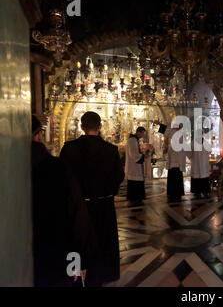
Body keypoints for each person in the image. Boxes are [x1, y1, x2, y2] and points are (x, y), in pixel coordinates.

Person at [60, 111, 124, 286]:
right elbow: (119, 175)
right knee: (104, 243)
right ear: (100, 127)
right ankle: (103, 275)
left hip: (78, 206)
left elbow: (62, 177)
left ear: (81, 127)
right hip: (104, 205)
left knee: (79, 242)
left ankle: (76, 276)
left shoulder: (69, 148)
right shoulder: (111, 150)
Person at [31, 115, 95, 287]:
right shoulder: (56, 168)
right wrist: (80, 260)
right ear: (38, 136)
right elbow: (77, 217)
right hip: (57, 252)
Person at [125, 127, 147, 205]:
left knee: (135, 182)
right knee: (135, 183)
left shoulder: (134, 140)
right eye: (143, 133)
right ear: (139, 132)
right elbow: (134, 154)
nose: (143, 135)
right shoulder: (132, 140)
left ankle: (136, 198)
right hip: (133, 167)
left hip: (134, 167)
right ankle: (135, 198)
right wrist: (143, 155)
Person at [165, 123, 186, 202]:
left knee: (175, 179)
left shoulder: (178, 135)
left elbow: (168, 132)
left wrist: (160, 124)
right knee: (174, 178)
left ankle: (176, 194)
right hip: (174, 161)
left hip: (176, 162)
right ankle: (173, 193)